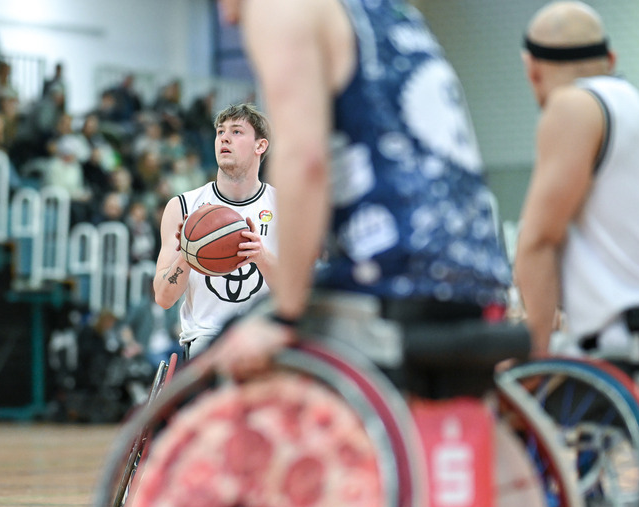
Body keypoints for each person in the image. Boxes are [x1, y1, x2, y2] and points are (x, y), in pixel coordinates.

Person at [210, 0, 510, 378]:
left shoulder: (279, 6)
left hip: (398, 275)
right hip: (481, 277)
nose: (225, 15)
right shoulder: (390, 11)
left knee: (219, 358)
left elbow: (305, 160)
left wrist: (284, 318)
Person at [513, 1, 639, 358]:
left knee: (501, 391)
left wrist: (529, 366)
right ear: (611, 59)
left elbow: (538, 243)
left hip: (637, 344)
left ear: (530, 68)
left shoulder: (573, 106)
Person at [152, 102, 278, 359]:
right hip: (205, 343)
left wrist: (260, 256)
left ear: (260, 146)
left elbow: (300, 297)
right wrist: (187, 254)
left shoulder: (285, 208)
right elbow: (163, 298)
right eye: (220, 132)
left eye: (236, 132)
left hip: (263, 341)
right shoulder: (183, 207)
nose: (225, 138)